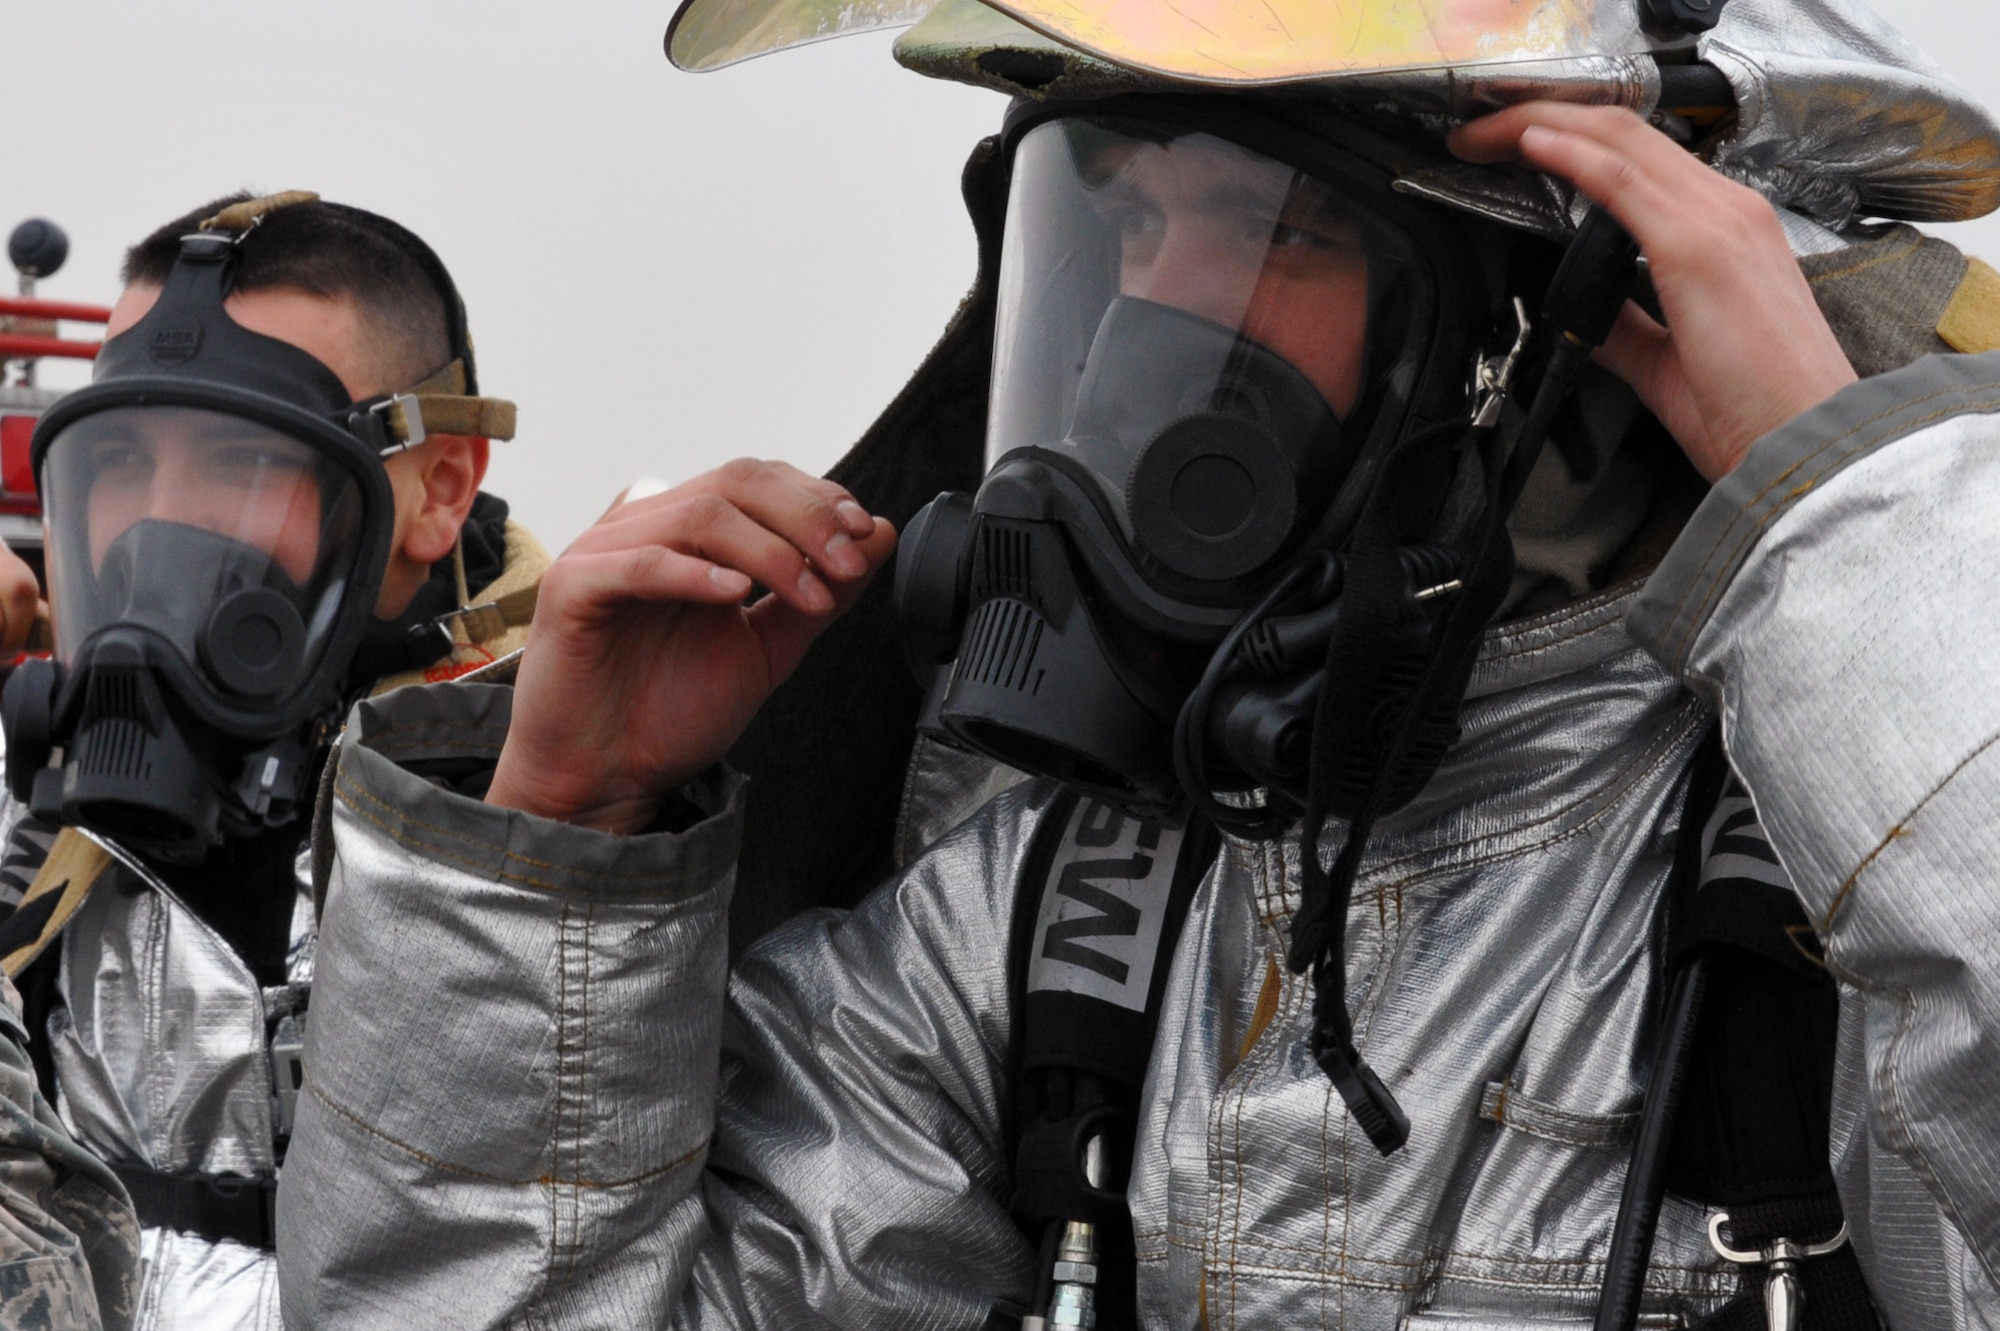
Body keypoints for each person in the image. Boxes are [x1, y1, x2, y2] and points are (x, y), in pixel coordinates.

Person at [283, 0, 2000, 1327]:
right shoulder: (1045, 910)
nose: (1150, 318)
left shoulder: (1843, 873)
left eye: (1283, 236)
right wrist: (564, 823)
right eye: (1122, 226)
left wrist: (1845, 531)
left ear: (1548, 319)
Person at [0, 189, 543, 1330]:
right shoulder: (41, 805)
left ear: (437, 486)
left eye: (242, 458)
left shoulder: (584, 809)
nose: (156, 526)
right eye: (121, 464)